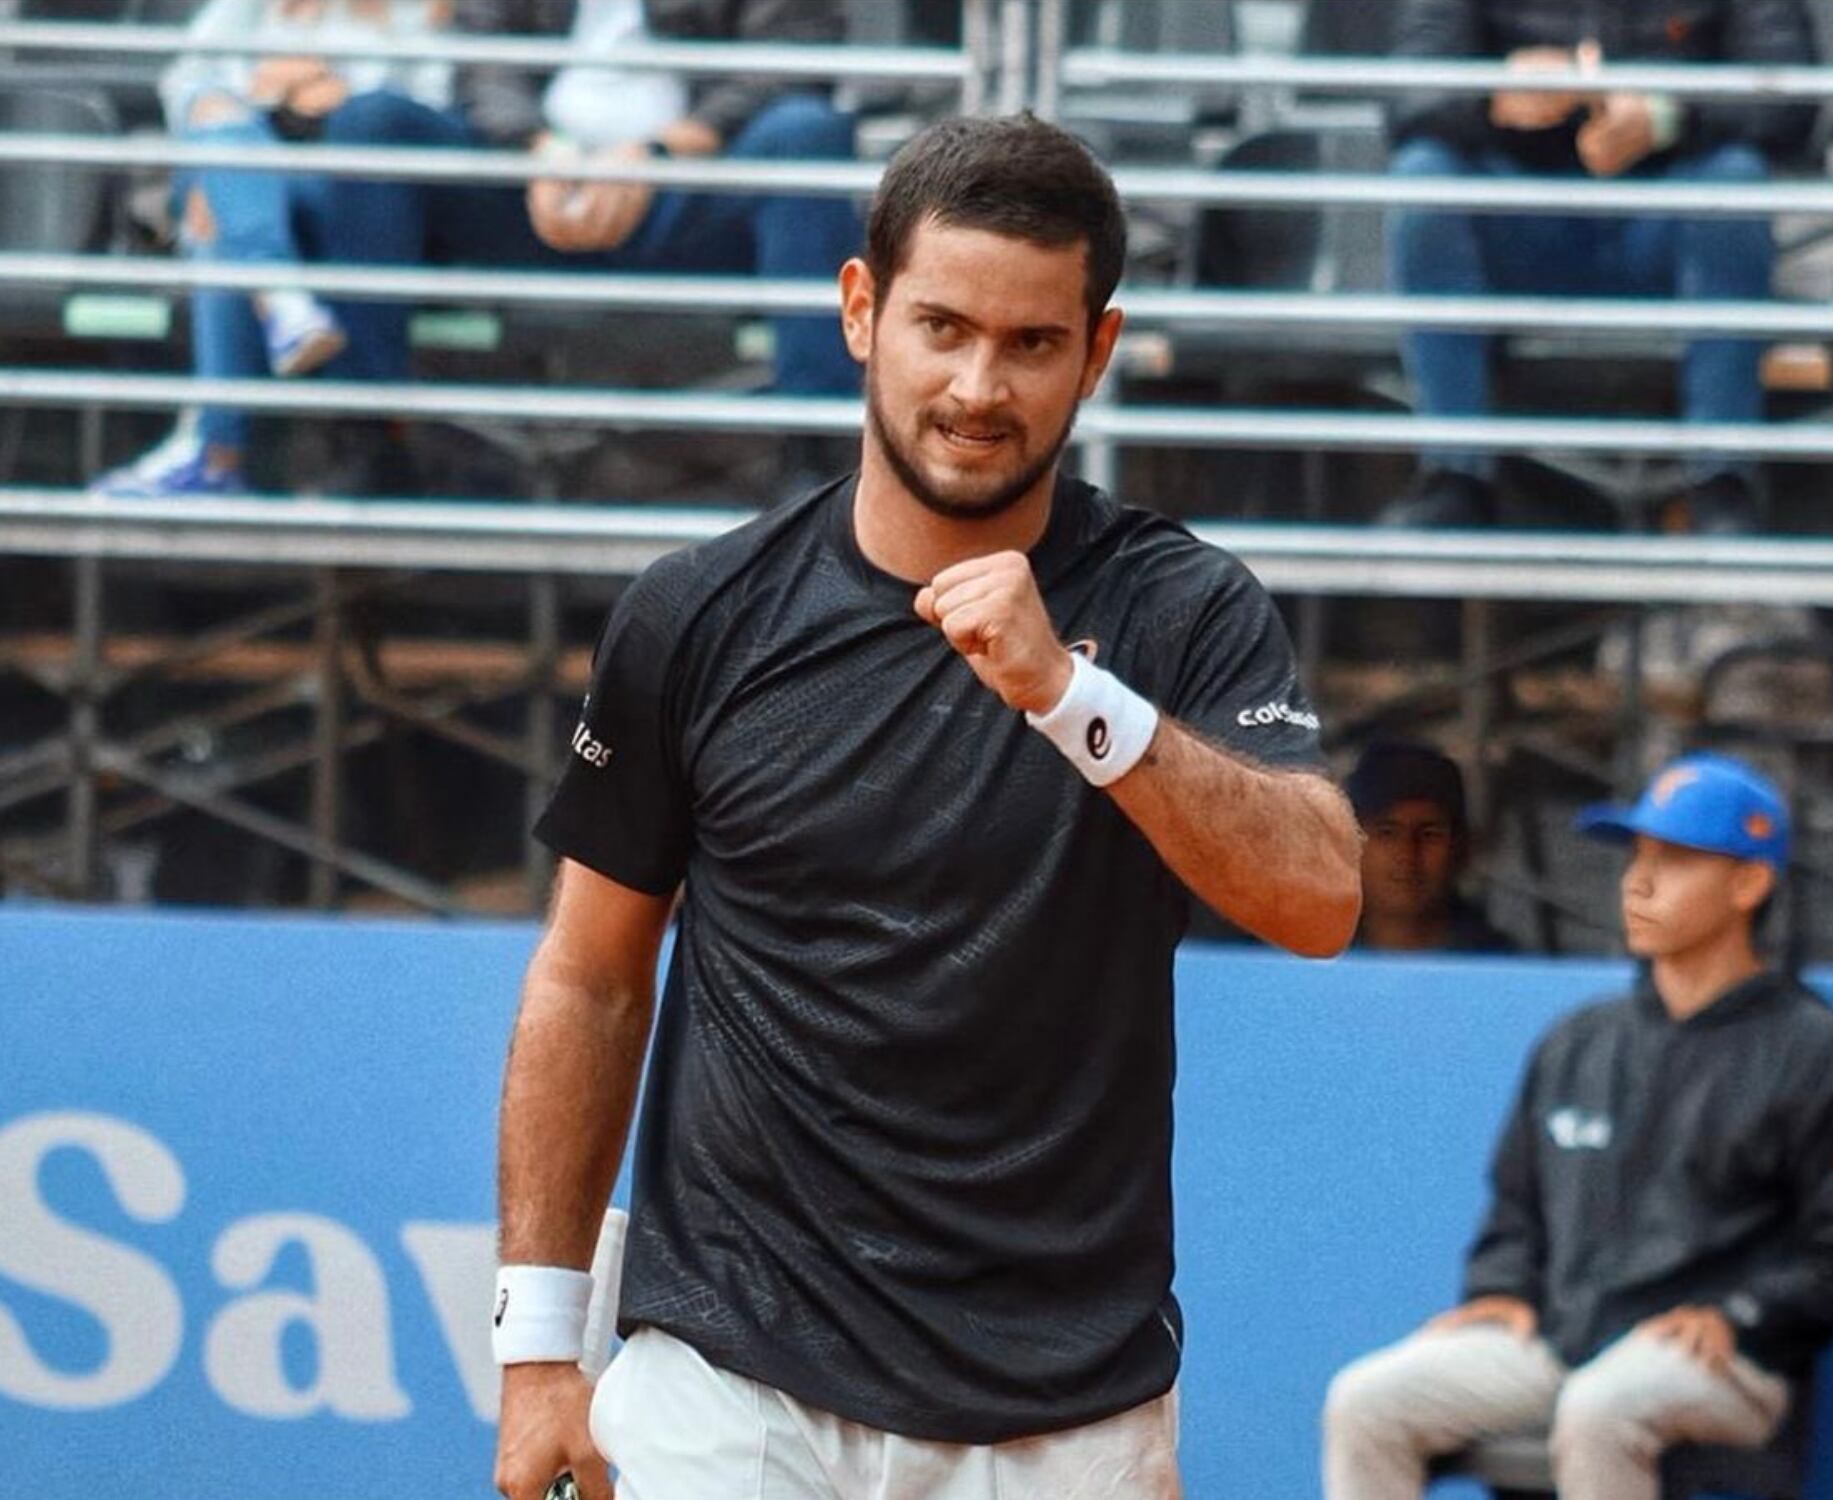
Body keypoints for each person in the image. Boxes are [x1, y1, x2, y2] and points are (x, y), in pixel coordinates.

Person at [489, 114, 1362, 1500]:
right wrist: (539, 1350)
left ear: (1100, 350)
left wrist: (1081, 704)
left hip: (1067, 1409)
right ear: (860, 311)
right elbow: (591, 980)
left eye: (1030, 344)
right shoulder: (698, 613)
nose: (978, 385)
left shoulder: (1182, 610)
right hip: (732, 1380)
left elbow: (1320, 899)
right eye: (942, 327)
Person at [1321, 752, 1833, 1500]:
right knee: (1367, 1400)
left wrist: (1740, 1315)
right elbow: (1516, 1207)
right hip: (1564, 1342)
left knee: (1602, 1408)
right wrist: (1502, 1287)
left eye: (1676, 859)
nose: (1638, 880)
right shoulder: (1579, 1041)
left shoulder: (1818, 1049)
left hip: (1728, 1362)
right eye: (1635, 855)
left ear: (1750, 882)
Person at [1381, 0, 1819, 533]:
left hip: (1670, 218)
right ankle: (1454, 474)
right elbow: (1409, 94)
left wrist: (1669, 115)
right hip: (1523, 220)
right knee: (1424, 176)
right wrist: (1491, 95)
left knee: (1735, 182)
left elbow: (1789, 96)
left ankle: (1722, 481)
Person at [93, 0, 463, 498]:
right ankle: (279, 297)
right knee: (215, 119)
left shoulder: (422, 13)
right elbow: (185, 83)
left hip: (348, 211)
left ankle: (216, 451)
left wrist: (334, 100)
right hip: (253, 178)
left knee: (224, 199)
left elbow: (430, 122)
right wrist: (264, 98)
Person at [447, 0, 862, 401]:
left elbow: (792, 52)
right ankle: (383, 434)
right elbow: (481, 61)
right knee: (385, 123)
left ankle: (822, 448)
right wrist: (538, 151)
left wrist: (661, 153)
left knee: (805, 132)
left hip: (699, 188)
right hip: (527, 188)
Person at [1347, 739, 1517, 954]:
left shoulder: (1503, 970)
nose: (1407, 854)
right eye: (1387, 833)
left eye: (1429, 835)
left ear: (1462, 848)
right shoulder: (1308, 963)